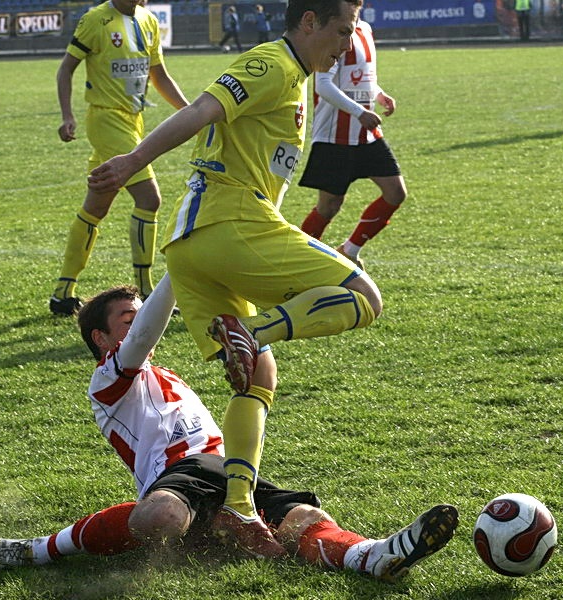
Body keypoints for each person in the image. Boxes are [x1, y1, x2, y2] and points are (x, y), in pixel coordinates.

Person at [87, 0, 384, 560]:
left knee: (255, 375)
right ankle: (256, 333)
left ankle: (240, 506)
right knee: (362, 295)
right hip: (228, 224)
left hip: (196, 247)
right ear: (309, 22)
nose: (347, 43)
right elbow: (201, 109)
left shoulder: (298, 77)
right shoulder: (270, 63)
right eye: (342, 30)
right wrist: (132, 161)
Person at [0, 280, 459, 578]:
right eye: (126, 319)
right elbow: (140, 340)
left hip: (230, 472)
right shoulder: (107, 381)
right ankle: (33, 550)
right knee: (157, 519)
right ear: (101, 337)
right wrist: (181, 264)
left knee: (304, 518)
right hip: (181, 475)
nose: (141, 325)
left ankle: (371, 557)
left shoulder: (167, 376)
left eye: (139, 316)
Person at [49, 0, 189, 317]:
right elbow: (66, 68)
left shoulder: (149, 21)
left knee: (96, 206)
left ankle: (62, 293)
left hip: (133, 121)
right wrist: (67, 115)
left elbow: (160, 75)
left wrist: (191, 112)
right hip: (106, 120)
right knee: (149, 199)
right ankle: (147, 292)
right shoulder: (95, 20)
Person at [298, 18, 405, 269]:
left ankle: (350, 250)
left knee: (395, 192)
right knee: (328, 207)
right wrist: (359, 112)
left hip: (365, 134)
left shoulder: (365, 28)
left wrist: (378, 94)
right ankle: (298, 261)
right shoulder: (331, 31)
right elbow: (323, 86)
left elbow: (360, 74)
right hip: (335, 137)